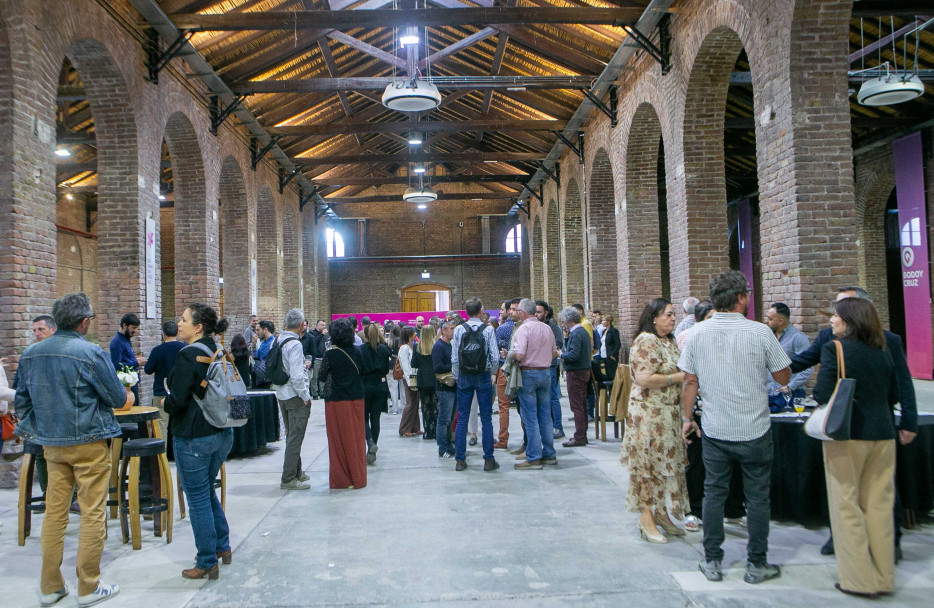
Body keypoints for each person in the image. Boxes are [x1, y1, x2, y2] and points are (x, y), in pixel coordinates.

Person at [13, 293, 126, 606]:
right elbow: (117, 398)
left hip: (51, 446)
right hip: (89, 442)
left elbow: (21, 402)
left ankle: (51, 586)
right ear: (84, 321)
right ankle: (89, 586)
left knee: (54, 514)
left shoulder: (31, 353)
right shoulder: (90, 352)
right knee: (92, 514)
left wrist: (43, 428)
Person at [679, 270, 791, 585]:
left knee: (713, 493)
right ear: (741, 298)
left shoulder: (697, 334)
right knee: (757, 497)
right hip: (755, 427)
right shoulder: (760, 332)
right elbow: (783, 377)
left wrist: (687, 419)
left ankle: (713, 561)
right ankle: (756, 565)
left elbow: (689, 381)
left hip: (715, 429)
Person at [790, 286, 917, 559]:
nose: (834, 316)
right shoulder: (828, 338)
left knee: (876, 492)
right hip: (844, 423)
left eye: (842, 309)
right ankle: (840, 539)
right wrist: (773, 366)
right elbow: (803, 360)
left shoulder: (888, 340)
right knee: (846, 492)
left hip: (872, 424)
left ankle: (889, 542)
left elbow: (902, 384)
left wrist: (909, 420)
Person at [811, 297, 898, 598]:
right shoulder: (883, 351)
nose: (831, 322)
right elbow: (894, 393)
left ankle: (859, 580)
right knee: (879, 506)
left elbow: (822, 393)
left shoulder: (835, 349)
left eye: (835, 317)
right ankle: (884, 578)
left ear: (849, 320)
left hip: (847, 434)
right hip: (884, 432)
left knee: (846, 504)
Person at [164, 303, 234, 580]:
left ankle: (206, 560)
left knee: (197, 499)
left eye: (183, 319)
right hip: (222, 432)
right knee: (205, 491)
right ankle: (221, 546)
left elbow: (178, 400)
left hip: (194, 437)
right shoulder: (216, 350)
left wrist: (164, 403)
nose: (178, 323)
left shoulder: (188, 355)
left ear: (198, 327)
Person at [621, 298, 692, 544]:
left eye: (674, 315)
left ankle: (662, 512)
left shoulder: (668, 340)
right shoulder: (646, 340)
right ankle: (646, 518)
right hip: (649, 417)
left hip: (668, 415)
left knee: (667, 465)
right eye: (668, 315)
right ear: (653, 318)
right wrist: (678, 378)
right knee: (649, 468)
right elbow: (644, 378)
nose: (673, 319)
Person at [451, 297, 500, 472]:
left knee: (463, 417)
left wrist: (457, 376)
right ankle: (488, 459)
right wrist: (492, 372)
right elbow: (494, 356)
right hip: (483, 375)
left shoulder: (458, 329)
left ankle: (460, 460)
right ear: (480, 311)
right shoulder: (487, 330)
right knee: (486, 418)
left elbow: (455, 357)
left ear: (466, 312)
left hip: (464, 375)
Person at [318, 318, 367, 490]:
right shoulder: (359, 351)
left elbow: (322, 376)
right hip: (357, 398)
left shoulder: (330, 354)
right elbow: (362, 371)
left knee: (338, 440)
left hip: (336, 400)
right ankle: (358, 477)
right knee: (357, 439)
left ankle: (343, 479)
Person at [511, 298, 558, 470]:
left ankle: (534, 457)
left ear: (523, 312)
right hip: (545, 373)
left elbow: (519, 356)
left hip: (528, 373)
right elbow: (554, 352)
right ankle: (549, 454)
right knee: (545, 415)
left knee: (530, 416)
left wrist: (511, 355)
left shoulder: (524, 329)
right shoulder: (547, 328)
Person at [272, 309, 312, 490]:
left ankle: (297, 471)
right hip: (295, 396)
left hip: (282, 394)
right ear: (301, 324)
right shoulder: (295, 344)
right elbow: (297, 376)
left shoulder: (279, 339)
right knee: (295, 437)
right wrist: (305, 396)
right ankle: (288, 479)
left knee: (292, 435)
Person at [763, 303, 812, 412]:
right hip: (769, 394)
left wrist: (789, 387)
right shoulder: (768, 337)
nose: (767, 321)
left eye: (770, 319)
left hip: (791, 394)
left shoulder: (798, 338)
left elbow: (808, 368)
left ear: (781, 321)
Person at [143, 321, 186, 438]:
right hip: (180, 391)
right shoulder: (184, 348)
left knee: (161, 424)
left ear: (163, 334)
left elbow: (148, 369)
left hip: (161, 391)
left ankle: (162, 455)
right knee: (181, 422)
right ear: (177, 332)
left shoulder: (157, 350)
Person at [559, 306, 591, 447]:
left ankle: (579, 436)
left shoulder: (577, 333)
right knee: (582, 405)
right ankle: (582, 434)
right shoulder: (580, 332)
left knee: (577, 406)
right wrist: (566, 339)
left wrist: (560, 355)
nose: (563, 324)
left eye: (563, 321)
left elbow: (573, 355)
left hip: (576, 372)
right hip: (583, 371)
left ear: (569, 320)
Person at [360, 324, 391, 465]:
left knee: (364, 417)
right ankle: (373, 446)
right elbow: (385, 369)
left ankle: (370, 441)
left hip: (365, 385)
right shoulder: (384, 349)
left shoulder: (360, 350)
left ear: (365, 335)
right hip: (380, 385)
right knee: (375, 418)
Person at [493, 298, 520, 450]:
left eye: (503, 309)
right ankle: (527, 440)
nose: (502, 311)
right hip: (521, 370)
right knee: (523, 406)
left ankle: (503, 440)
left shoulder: (501, 329)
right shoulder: (522, 327)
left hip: (504, 370)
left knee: (503, 407)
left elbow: (495, 351)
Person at [536, 300, 565, 439]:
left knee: (552, 396)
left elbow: (558, 344)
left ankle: (558, 426)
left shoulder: (553, 327)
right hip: (537, 367)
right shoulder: (533, 326)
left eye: (539, 312)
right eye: (535, 312)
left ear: (546, 313)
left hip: (550, 366)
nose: (536, 314)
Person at [432, 321, 457, 458]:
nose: (453, 331)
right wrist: (453, 366)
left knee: (450, 418)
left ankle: (449, 445)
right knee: (444, 419)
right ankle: (443, 447)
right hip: (444, 388)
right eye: (451, 329)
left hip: (453, 387)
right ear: (444, 330)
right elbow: (437, 367)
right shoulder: (439, 347)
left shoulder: (450, 345)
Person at [109, 313, 146, 404]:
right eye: (133, 328)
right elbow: (116, 365)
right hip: (125, 386)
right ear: (124, 325)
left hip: (131, 383)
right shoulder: (117, 342)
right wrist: (136, 363)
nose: (135, 331)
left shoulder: (126, 340)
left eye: (136, 328)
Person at [412, 325, 439, 441]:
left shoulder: (417, 347)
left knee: (425, 405)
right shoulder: (437, 346)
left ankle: (427, 431)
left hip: (422, 380)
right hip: (435, 379)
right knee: (435, 405)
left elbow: (413, 364)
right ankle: (436, 431)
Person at [397, 326, 422, 436]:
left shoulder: (411, 347)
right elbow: (405, 366)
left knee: (415, 403)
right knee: (410, 403)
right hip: (409, 379)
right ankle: (404, 429)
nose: (415, 334)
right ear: (408, 335)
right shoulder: (404, 348)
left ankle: (415, 427)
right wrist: (410, 381)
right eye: (413, 333)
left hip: (414, 378)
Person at [307, 320, 328, 399]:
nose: (324, 327)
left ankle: (322, 392)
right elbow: (314, 342)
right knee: (315, 377)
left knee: (322, 376)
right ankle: (314, 393)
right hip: (316, 358)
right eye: (322, 325)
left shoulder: (325, 335)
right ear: (317, 325)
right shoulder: (312, 334)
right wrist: (322, 335)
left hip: (324, 357)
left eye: (325, 325)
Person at [251, 320, 275, 388]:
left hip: (268, 379)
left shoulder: (273, 343)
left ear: (265, 330)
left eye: (258, 330)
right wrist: (254, 345)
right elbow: (256, 357)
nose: (256, 333)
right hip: (260, 376)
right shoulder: (263, 342)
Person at [599, 314, 621, 380]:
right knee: (606, 373)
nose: (602, 322)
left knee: (612, 374)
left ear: (608, 322)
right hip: (604, 355)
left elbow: (617, 343)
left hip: (610, 355)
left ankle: (612, 389)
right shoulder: (604, 331)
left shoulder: (613, 331)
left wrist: (613, 354)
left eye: (603, 320)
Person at [386, 325, 402, 414]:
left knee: (393, 388)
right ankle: (404, 406)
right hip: (401, 365)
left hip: (390, 366)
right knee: (403, 388)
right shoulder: (401, 342)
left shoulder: (388, 342)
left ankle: (394, 409)